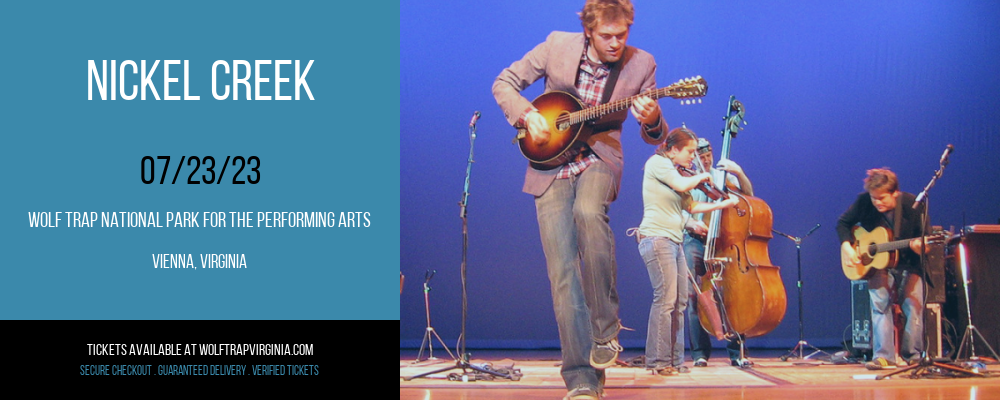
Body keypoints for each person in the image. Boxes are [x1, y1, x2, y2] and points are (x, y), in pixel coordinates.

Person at [492, 1, 666, 398]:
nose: (616, 42)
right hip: (549, 163)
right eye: (607, 36)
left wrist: (652, 116)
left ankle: (606, 329)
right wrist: (525, 115)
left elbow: (655, 135)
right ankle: (583, 380)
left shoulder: (642, 64)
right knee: (563, 275)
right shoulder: (557, 45)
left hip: (599, 157)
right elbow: (504, 82)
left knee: (589, 213)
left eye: (622, 34)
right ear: (589, 31)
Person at [635, 127, 738, 375]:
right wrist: (702, 178)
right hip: (657, 238)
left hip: (674, 240)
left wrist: (722, 202)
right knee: (665, 300)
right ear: (673, 150)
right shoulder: (658, 163)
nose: (693, 157)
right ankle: (658, 362)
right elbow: (681, 183)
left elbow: (691, 206)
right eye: (690, 152)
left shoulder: (677, 172)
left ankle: (674, 361)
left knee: (680, 301)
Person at [837, 168, 928, 370]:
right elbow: (843, 223)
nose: (877, 202)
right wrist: (847, 248)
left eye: (882, 198)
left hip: (908, 262)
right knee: (880, 306)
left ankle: (913, 355)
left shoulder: (912, 205)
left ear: (895, 193)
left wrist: (920, 246)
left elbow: (926, 239)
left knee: (913, 307)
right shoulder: (864, 202)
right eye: (874, 198)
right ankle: (884, 356)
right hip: (878, 266)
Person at [681, 137, 755, 367]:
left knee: (732, 295)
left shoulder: (724, 177)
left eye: (707, 155)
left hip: (723, 241)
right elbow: (677, 209)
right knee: (695, 297)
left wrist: (740, 173)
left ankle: (737, 352)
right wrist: (690, 223)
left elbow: (748, 197)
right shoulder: (686, 179)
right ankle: (700, 354)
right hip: (695, 239)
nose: (705, 160)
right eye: (700, 156)